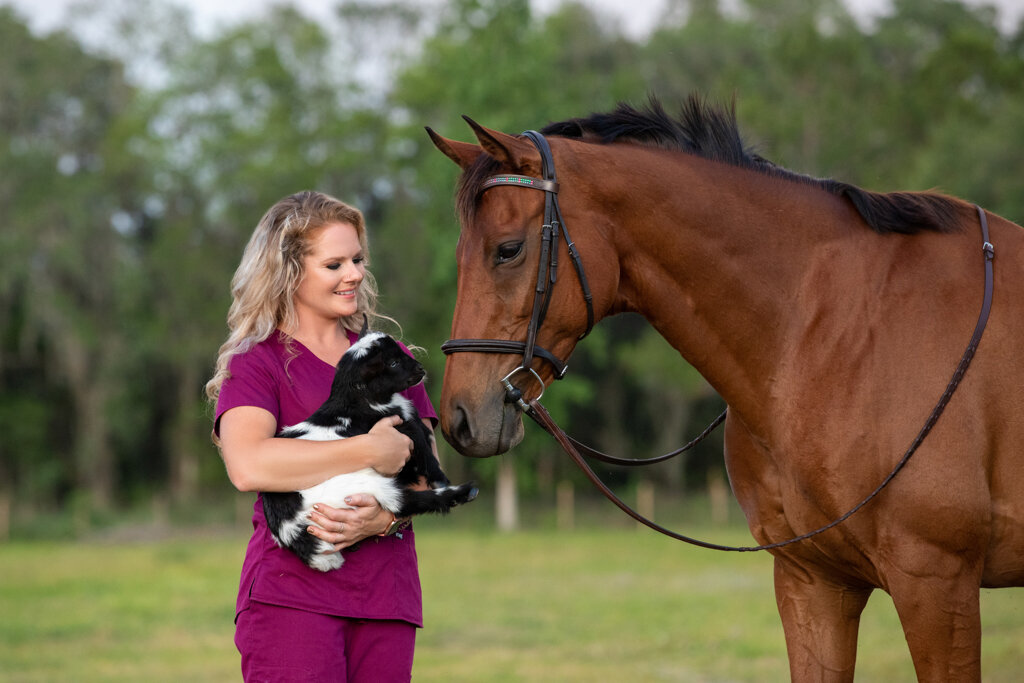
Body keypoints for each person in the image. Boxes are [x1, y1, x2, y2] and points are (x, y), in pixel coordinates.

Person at [205, 190, 437, 682]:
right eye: (334, 264)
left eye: (357, 260)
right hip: (292, 598)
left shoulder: (384, 354)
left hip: (387, 599)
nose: (354, 274)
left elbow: (426, 477)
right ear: (289, 271)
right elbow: (249, 466)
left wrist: (383, 520)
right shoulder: (258, 362)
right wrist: (367, 449)